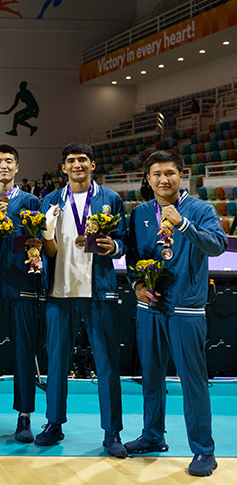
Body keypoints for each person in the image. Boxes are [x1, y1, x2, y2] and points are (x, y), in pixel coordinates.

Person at [124, 151, 226, 477]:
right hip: (150, 306)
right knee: (151, 377)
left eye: (169, 173)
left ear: (182, 176)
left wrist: (183, 224)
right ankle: (153, 436)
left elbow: (218, 245)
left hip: (186, 308)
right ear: (148, 179)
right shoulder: (140, 212)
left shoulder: (200, 210)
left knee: (192, 381)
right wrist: (137, 285)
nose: (163, 179)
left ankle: (204, 451)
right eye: (156, 174)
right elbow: (132, 256)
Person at [37, 143, 127, 457]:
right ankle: (53, 423)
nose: (77, 165)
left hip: (98, 291)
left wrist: (113, 246)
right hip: (59, 291)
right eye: (71, 161)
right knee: (56, 362)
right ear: (63, 167)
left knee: (107, 363)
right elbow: (48, 246)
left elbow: (123, 241)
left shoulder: (110, 199)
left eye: (83, 160)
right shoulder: (50, 200)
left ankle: (112, 431)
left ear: (92, 165)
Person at [0, 145, 44, 442]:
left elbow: (38, 241)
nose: (4, 165)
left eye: (9, 161)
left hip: (20, 283)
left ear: (17, 167)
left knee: (23, 351)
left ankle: (24, 416)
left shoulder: (31, 201)